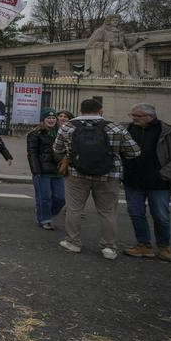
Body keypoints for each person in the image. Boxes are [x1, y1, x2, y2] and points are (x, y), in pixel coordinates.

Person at [53, 99, 140, 260]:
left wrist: (70, 156)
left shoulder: (68, 127)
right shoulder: (116, 127)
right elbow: (134, 152)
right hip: (109, 175)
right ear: (101, 110)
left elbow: (57, 149)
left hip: (77, 174)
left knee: (74, 209)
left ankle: (73, 242)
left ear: (80, 110)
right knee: (107, 212)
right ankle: (108, 247)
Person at [122, 103, 171, 262]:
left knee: (161, 216)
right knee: (136, 213)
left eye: (137, 116)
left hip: (159, 183)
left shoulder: (170, 134)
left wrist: (164, 174)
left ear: (150, 116)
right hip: (133, 181)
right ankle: (143, 245)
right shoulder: (128, 130)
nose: (133, 118)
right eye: (132, 115)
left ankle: (164, 247)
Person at [27, 108, 66, 229]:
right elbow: (32, 153)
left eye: (53, 118)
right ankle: (45, 219)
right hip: (42, 171)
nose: (51, 120)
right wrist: (36, 170)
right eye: (48, 118)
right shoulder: (35, 134)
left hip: (58, 171)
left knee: (60, 199)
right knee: (44, 197)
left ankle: (45, 213)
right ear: (43, 120)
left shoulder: (61, 133)